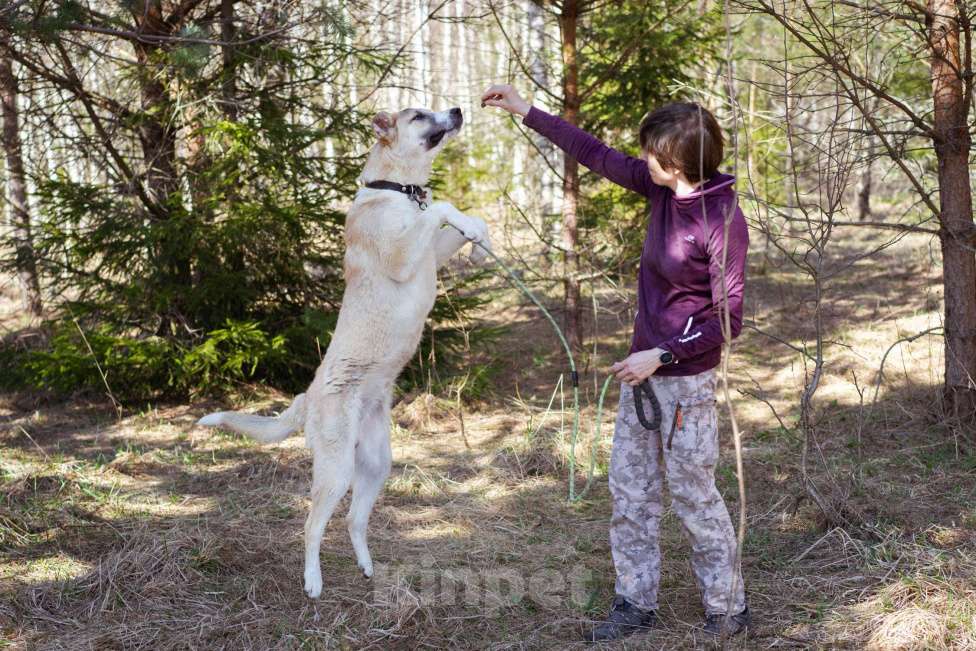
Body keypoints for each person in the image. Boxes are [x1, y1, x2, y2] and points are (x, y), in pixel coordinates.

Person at [481, 84, 750, 642]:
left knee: (696, 498)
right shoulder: (658, 192)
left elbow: (729, 316)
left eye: (652, 150)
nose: (642, 157)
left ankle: (727, 610)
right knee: (630, 495)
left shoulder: (721, 218)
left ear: (675, 161)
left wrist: (664, 353)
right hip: (641, 379)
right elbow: (593, 152)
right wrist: (525, 110)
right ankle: (634, 603)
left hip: (685, 384)